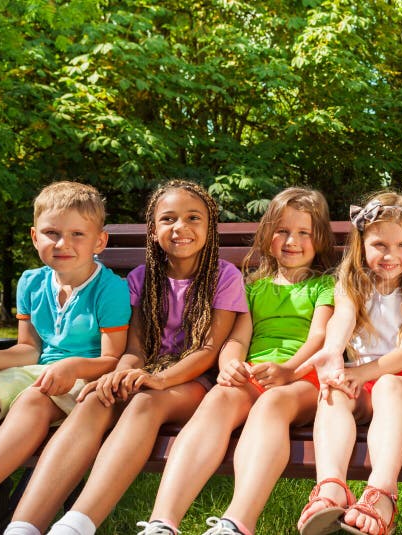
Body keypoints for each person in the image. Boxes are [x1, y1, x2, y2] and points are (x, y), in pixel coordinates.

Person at [4, 180, 247, 535]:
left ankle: (76, 525)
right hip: (147, 373)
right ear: (153, 230)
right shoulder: (140, 279)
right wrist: (120, 374)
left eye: (193, 218)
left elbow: (208, 351)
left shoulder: (224, 277)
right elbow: (134, 350)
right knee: (95, 400)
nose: (180, 228)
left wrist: (160, 379)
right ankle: (23, 527)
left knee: (144, 403)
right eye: (168, 219)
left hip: (192, 380)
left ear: (210, 230)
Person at [138, 188, 336, 535]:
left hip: (305, 377)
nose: (292, 241)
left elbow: (320, 337)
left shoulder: (323, 286)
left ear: (318, 238)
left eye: (304, 233)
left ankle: (237, 522)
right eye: (283, 231)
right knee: (218, 399)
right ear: (267, 234)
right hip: (256, 373)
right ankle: (162, 522)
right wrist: (231, 364)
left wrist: (289, 370)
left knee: (272, 403)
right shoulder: (254, 287)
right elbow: (238, 338)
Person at [295, 192, 402, 535]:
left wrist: (361, 373)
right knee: (332, 392)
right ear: (361, 244)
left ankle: (382, 491)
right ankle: (331, 487)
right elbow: (341, 320)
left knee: (387, 385)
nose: (391, 255)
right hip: (361, 380)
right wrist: (332, 350)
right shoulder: (350, 284)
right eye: (380, 245)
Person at [0, 181, 130, 491]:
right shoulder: (30, 282)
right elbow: (28, 349)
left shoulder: (111, 290)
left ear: (99, 241)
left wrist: (72, 367)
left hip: (83, 380)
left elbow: (112, 359)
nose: (61, 244)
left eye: (77, 234)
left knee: (33, 401)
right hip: (34, 371)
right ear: (34, 236)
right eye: (51, 233)